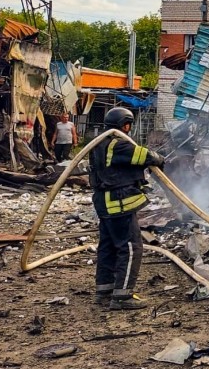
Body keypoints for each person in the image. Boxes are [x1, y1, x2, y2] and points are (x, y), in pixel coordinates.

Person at [89, 107, 165, 310]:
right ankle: (122, 297)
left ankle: (104, 290)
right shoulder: (118, 145)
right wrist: (159, 158)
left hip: (104, 203)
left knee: (108, 246)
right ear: (125, 124)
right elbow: (146, 156)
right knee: (131, 247)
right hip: (119, 203)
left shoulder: (99, 144)